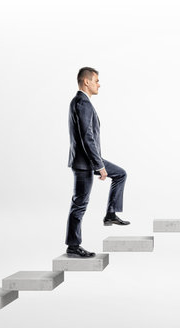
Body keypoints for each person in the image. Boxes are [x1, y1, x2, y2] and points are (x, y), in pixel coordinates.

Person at [65, 67, 130, 258]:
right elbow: (87, 137)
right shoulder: (82, 103)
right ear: (86, 82)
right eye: (97, 80)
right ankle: (73, 246)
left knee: (120, 173)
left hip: (87, 159)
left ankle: (110, 214)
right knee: (80, 203)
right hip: (85, 161)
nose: (99, 84)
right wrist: (99, 165)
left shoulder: (80, 102)